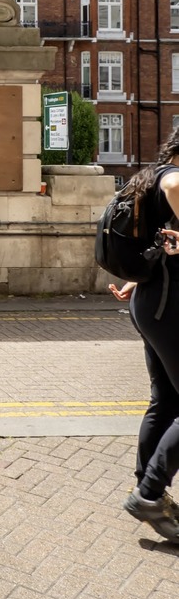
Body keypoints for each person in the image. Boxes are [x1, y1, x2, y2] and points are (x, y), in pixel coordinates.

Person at [109, 127, 179, 540]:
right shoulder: (174, 180)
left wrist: (137, 280)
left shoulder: (152, 175)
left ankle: (146, 487)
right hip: (169, 305)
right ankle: (150, 494)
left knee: (167, 399)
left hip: (152, 300)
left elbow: (158, 245)